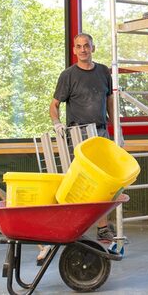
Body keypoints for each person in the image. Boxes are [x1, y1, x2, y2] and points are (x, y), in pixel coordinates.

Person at [49, 33, 117, 242]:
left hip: (101, 132)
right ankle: (72, 226)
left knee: (104, 181)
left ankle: (103, 227)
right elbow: (54, 105)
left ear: (93, 48)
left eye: (86, 46)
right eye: (79, 46)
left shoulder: (104, 71)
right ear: (74, 50)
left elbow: (110, 100)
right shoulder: (68, 75)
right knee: (82, 182)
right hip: (78, 134)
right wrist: (57, 123)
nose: (83, 50)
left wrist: (116, 129)